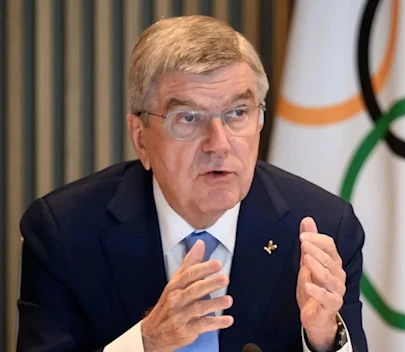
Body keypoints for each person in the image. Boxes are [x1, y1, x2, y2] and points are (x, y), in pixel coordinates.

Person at [16, 15, 367, 352]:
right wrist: (147, 343)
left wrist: (323, 337)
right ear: (141, 139)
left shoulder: (324, 227)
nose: (219, 143)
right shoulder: (64, 231)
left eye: (238, 113)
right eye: (188, 118)